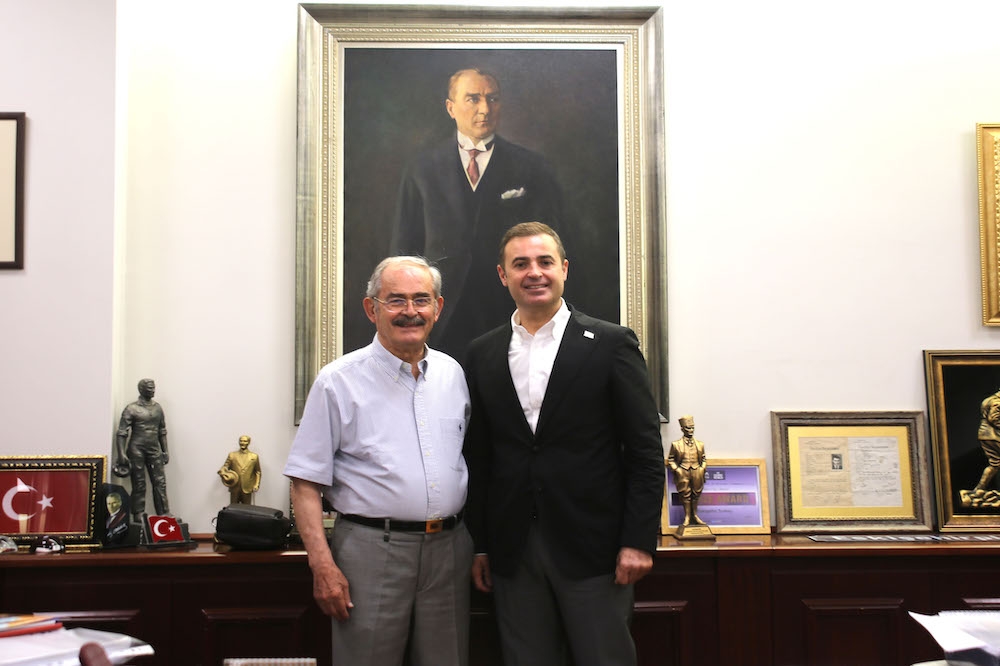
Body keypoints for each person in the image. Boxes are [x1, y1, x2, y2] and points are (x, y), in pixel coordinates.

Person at [463, 222, 664, 666]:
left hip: (595, 547)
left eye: (545, 262)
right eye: (521, 264)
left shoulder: (611, 344)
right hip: (513, 549)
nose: (534, 272)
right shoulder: (482, 353)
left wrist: (639, 540)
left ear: (564, 269)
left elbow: (645, 452)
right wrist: (480, 544)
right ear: (503, 275)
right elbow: (479, 456)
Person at [284, 256, 473, 666]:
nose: (410, 311)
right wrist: (322, 565)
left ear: (438, 307)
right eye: (396, 300)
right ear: (372, 309)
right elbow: (305, 483)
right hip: (371, 551)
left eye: (421, 300)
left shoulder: (453, 375)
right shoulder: (338, 381)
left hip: (449, 551)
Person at [392, 68, 565, 362]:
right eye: (473, 99)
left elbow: (554, 244)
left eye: (492, 99)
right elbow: (403, 251)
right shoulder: (422, 169)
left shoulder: (532, 167)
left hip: (509, 310)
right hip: (442, 314)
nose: (485, 108)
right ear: (451, 108)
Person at [113, 378, 170, 522]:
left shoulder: (158, 408)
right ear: (141, 389)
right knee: (139, 482)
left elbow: (162, 431)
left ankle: (164, 512)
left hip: (154, 449)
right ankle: (138, 513)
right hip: (136, 449)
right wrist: (121, 453)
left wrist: (165, 451)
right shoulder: (131, 408)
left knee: (160, 481)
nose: (153, 390)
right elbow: (122, 432)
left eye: (153, 387)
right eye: (150, 388)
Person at [667, 415, 708, 528]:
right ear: (682, 429)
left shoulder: (700, 444)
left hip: (697, 471)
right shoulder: (676, 445)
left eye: (692, 428)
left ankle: (695, 515)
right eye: (688, 428)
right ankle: (687, 517)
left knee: (696, 494)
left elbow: (703, 459)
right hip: (683, 471)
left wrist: (702, 468)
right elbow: (671, 459)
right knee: (685, 494)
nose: (691, 430)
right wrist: (677, 470)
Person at [218, 435, 261, 505]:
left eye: (245, 441)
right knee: (233, 508)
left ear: (248, 442)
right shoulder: (232, 455)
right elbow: (225, 466)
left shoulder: (254, 456)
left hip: (247, 488)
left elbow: (258, 472)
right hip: (234, 487)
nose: (242, 443)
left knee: (247, 509)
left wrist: (256, 484)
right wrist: (222, 470)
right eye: (241, 441)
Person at [974, 389, 1000, 494]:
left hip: (986, 435)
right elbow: (994, 419)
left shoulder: (989, 400)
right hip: (992, 435)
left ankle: (980, 488)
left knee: (995, 464)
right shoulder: (996, 403)